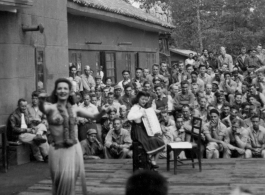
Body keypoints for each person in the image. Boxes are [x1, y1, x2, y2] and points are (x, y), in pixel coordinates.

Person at [38, 78, 108, 195]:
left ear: (70, 91)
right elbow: (42, 108)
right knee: (58, 181)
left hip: (72, 150)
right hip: (57, 150)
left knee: (70, 182)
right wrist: (41, 98)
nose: (62, 91)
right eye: (59, 88)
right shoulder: (51, 108)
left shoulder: (75, 109)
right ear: (55, 91)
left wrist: (102, 112)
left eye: (65, 88)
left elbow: (94, 116)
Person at [127, 91, 165, 169]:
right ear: (138, 99)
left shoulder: (142, 107)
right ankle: (151, 160)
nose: (144, 101)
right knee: (151, 141)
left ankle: (153, 160)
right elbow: (129, 117)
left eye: (146, 99)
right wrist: (141, 114)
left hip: (142, 130)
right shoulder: (135, 107)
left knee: (160, 141)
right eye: (142, 99)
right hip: (137, 131)